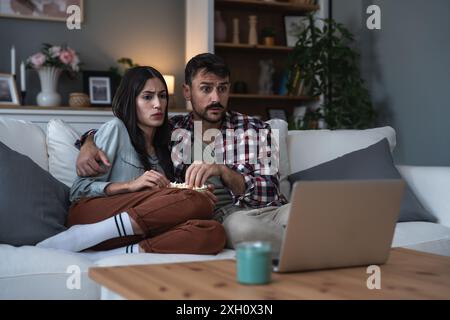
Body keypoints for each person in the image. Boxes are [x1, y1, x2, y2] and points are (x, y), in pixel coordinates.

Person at [76, 54, 290, 257]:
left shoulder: (255, 128)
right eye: (206, 89)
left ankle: (308, 244)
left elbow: (270, 192)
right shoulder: (172, 129)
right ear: (187, 92)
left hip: (269, 210)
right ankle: (308, 249)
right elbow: (126, 127)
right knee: (238, 228)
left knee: (305, 213)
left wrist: (222, 171)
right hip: (228, 218)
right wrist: (88, 141)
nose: (216, 98)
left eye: (222, 88)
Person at [37, 66, 226, 256]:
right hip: (91, 216)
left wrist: (194, 191)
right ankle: (82, 236)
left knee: (213, 232)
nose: (158, 104)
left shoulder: (169, 142)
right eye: (147, 97)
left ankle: (120, 253)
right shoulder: (117, 129)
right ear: (131, 100)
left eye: (162, 96)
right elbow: (78, 191)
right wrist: (129, 186)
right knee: (193, 201)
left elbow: (166, 201)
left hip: (134, 228)